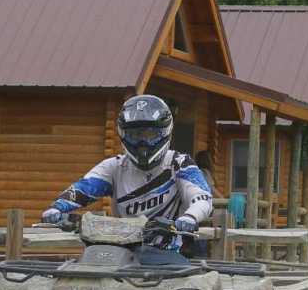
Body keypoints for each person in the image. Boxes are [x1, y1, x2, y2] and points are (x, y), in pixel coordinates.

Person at [41, 95, 212, 251]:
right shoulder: (115, 166)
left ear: (164, 132)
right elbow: (83, 189)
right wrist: (57, 208)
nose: (142, 142)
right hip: (121, 250)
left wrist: (190, 217)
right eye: (135, 135)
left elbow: (202, 197)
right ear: (123, 134)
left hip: (168, 252)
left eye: (150, 134)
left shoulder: (179, 163)